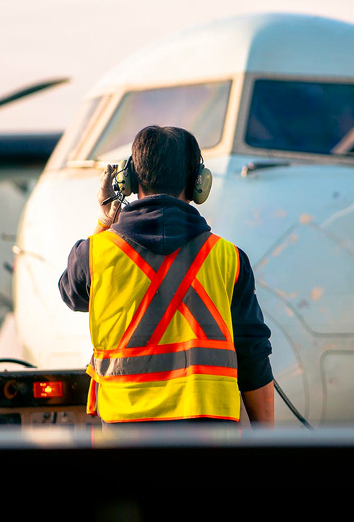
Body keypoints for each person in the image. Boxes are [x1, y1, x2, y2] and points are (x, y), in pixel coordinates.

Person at [58, 125, 275, 426]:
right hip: (210, 436)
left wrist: (105, 220)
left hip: (125, 433)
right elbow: (253, 355)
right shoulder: (229, 259)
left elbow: (71, 294)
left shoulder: (94, 254)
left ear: (129, 179)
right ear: (198, 183)